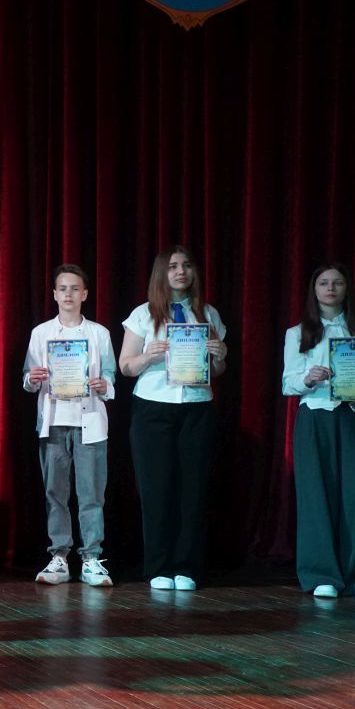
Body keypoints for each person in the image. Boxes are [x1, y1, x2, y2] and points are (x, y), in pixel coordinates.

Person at [118, 246, 227, 591]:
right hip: (153, 408)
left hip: (196, 407)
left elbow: (217, 369)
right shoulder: (143, 314)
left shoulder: (207, 313)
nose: (181, 271)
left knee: (192, 490)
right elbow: (125, 366)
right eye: (173, 266)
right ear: (162, 274)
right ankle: (158, 567)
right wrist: (148, 357)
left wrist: (220, 355)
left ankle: (187, 567)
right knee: (156, 489)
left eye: (187, 265)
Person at [21, 264, 116, 588]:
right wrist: (33, 379)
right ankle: (59, 556)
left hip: (90, 422)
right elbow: (28, 378)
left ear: (85, 294)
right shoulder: (41, 333)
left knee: (91, 494)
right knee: (55, 493)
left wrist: (104, 385)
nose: (69, 294)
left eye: (75, 288)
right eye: (63, 288)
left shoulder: (99, 334)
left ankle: (91, 558)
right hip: (54, 422)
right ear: (54, 294)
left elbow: (111, 375)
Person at [281, 263, 355, 600]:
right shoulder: (298, 332)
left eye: (337, 283)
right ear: (314, 289)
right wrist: (308, 378)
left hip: (353, 417)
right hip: (315, 416)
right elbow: (287, 383)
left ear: (347, 288)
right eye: (323, 283)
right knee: (315, 494)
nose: (330, 288)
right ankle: (322, 574)